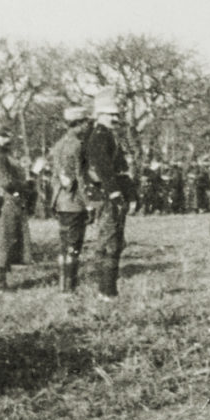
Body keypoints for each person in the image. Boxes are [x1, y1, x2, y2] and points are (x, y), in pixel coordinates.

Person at [85, 88, 135, 299]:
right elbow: (103, 168)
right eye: (111, 115)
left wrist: (130, 195)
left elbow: (122, 170)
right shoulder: (99, 137)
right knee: (109, 242)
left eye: (116, 115)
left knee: (114, 241)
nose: (115, 118)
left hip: (115, 193)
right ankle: (105, 290)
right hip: (108, 196)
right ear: (100, 115)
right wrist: (115, 193)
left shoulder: (109, 136)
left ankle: (108, 288)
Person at [49, 106, 93, 292]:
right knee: (74, 245)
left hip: (60, 200)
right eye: (85, 123)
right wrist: (89, 203)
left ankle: (63, 284)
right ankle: (69, 286)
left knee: (64, 244)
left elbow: (55, 175)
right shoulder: (78, 145)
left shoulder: (58, 145)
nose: (87, 126)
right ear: (78, 124)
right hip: (75, 201)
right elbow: (80, 176)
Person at [0, 128, 32, 290]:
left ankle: (0, 279)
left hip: (10, 200)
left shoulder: (4, 154)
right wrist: (25, 185)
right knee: (3, 240)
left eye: (9, 136)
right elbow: (6, 182)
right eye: (3, 137)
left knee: (7, 239)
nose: (7, 140)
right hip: (5, 200)